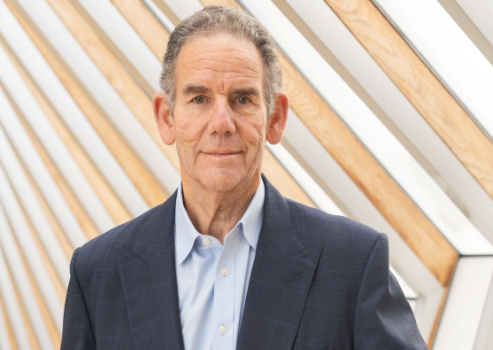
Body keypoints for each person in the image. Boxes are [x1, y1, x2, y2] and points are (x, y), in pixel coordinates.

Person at [60, 5, 428, 350]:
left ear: (276, 118)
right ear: (166, 118)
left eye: (242, 100)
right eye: (199, 99)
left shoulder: (352, 263)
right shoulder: (97, 274)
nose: (222, 124)